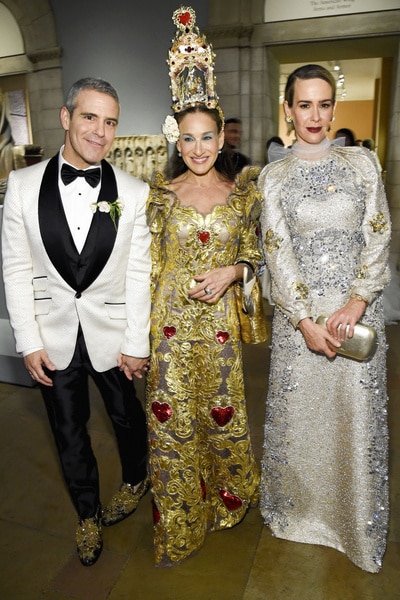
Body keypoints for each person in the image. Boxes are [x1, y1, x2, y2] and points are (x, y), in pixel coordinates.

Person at [1, 77, 152, 567]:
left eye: (110, 122)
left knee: (128, 418)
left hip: (114, 334)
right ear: (66, 118)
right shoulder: (21, 187)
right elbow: (17, 268)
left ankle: (135, 479)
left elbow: (138, 274)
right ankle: (86, 514)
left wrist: (137, 342)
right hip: (52, 334)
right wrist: (28, 340)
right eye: (90, 117)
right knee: (68, 430)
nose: (100, 131)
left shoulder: (134, 191)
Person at [258, 64, 391, 573]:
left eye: (323, 103)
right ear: (288, 110)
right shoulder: (273, 177)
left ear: (334, 107)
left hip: (355, 319)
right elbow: (277, 251)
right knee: (302, 422)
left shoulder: (363, 165)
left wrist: (356, 302)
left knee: (353, 422)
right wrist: (304, 321)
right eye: (304, 104)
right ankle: (302, 513)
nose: (315, 115)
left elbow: (378, 234)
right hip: (303, 325)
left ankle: (354, 522)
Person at [146, 6, 261, 567]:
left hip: (218, 336)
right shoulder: (159, 197)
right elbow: (141, 270)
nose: (197, 149)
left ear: (221, 135)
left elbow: (260, 255)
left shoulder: (243, 195)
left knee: (218, 420)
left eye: (207, 137)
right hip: (167, 337)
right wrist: (133, 342)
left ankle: (225, 504)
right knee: (172, 428)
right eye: (187, 139)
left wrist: (234, 272)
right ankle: (179, 524)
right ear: (178, 140)